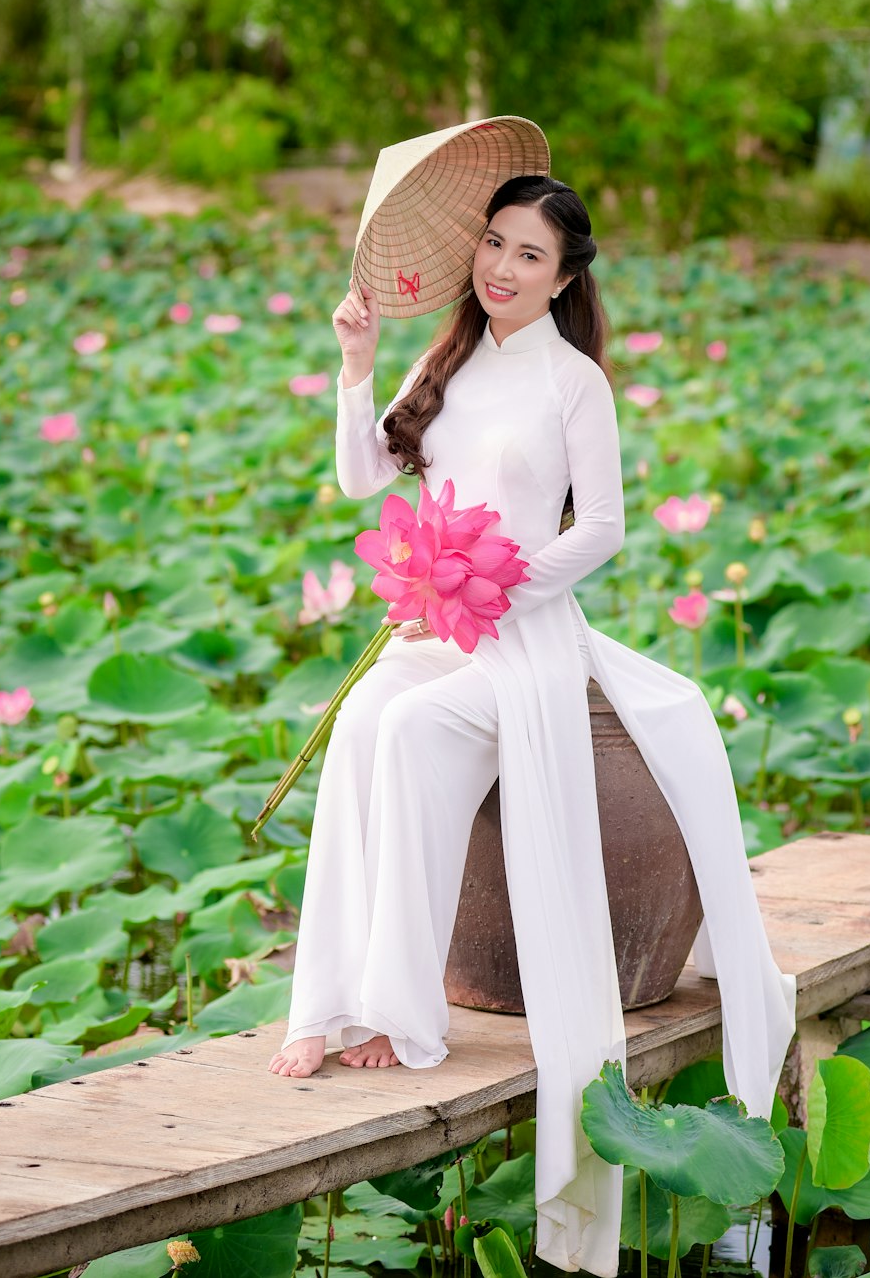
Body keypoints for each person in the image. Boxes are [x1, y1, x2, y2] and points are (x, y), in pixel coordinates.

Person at [267, 144, 796, 1277]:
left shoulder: (573, 382)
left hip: (528, 637)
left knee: (407, 733)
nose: (502, 266)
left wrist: (497, 581)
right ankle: (335, 1003)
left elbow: (601, 526)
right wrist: (354, 362)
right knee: (361, 720)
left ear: (563, 277)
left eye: (528, 254)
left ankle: (402, 1017)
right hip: (439, 628)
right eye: (494, 244)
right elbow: (368, 481)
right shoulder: (442, 355)